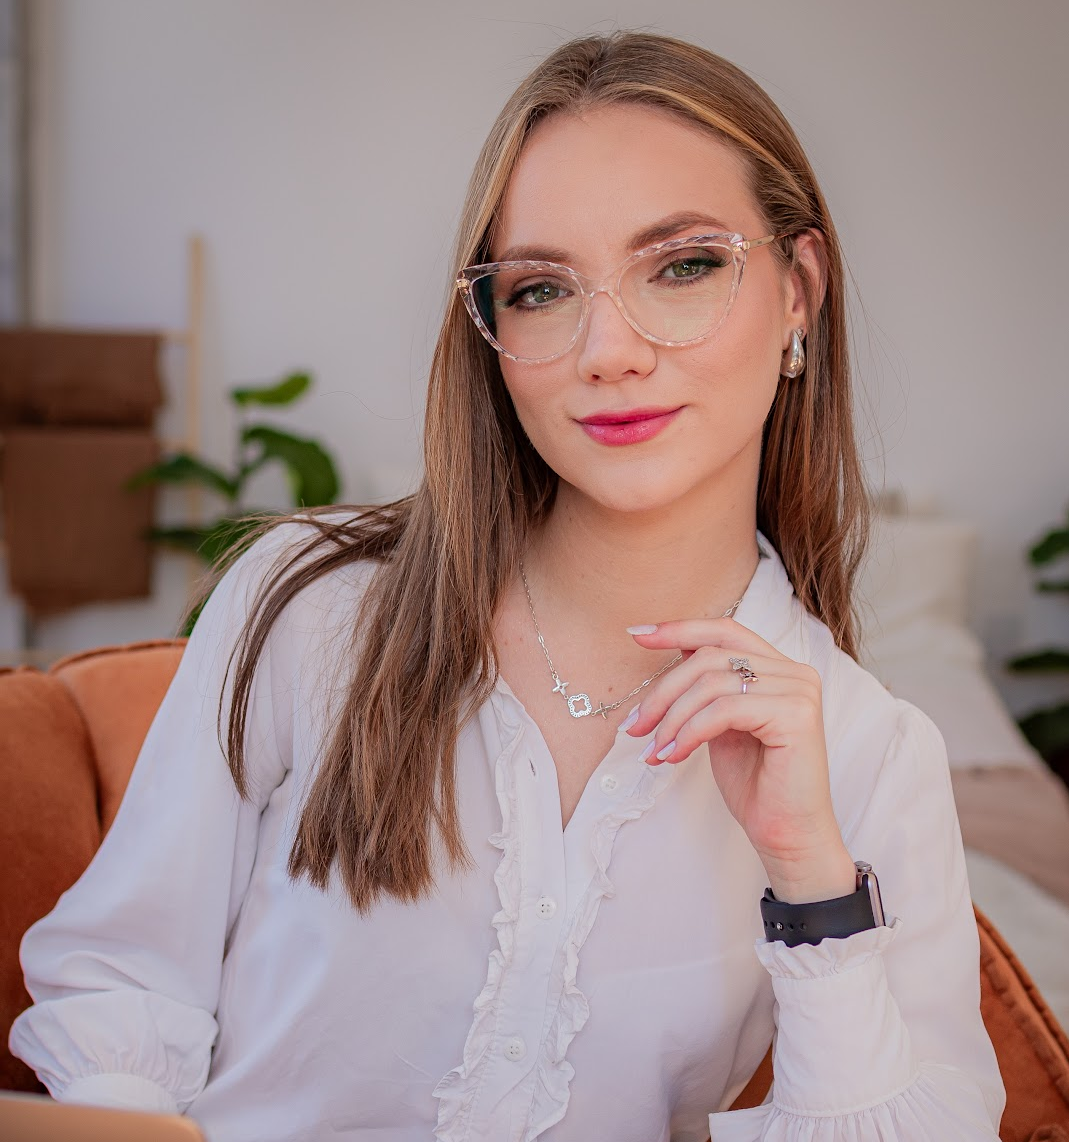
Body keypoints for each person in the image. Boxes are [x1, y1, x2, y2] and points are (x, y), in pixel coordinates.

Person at [10, 29, 1005, 1142]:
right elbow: (126, 988)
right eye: (540, 289)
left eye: (683, 265)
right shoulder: (308, 608)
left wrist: (809, 877)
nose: (607, 349)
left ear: (798, 293)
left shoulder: (871, 753)